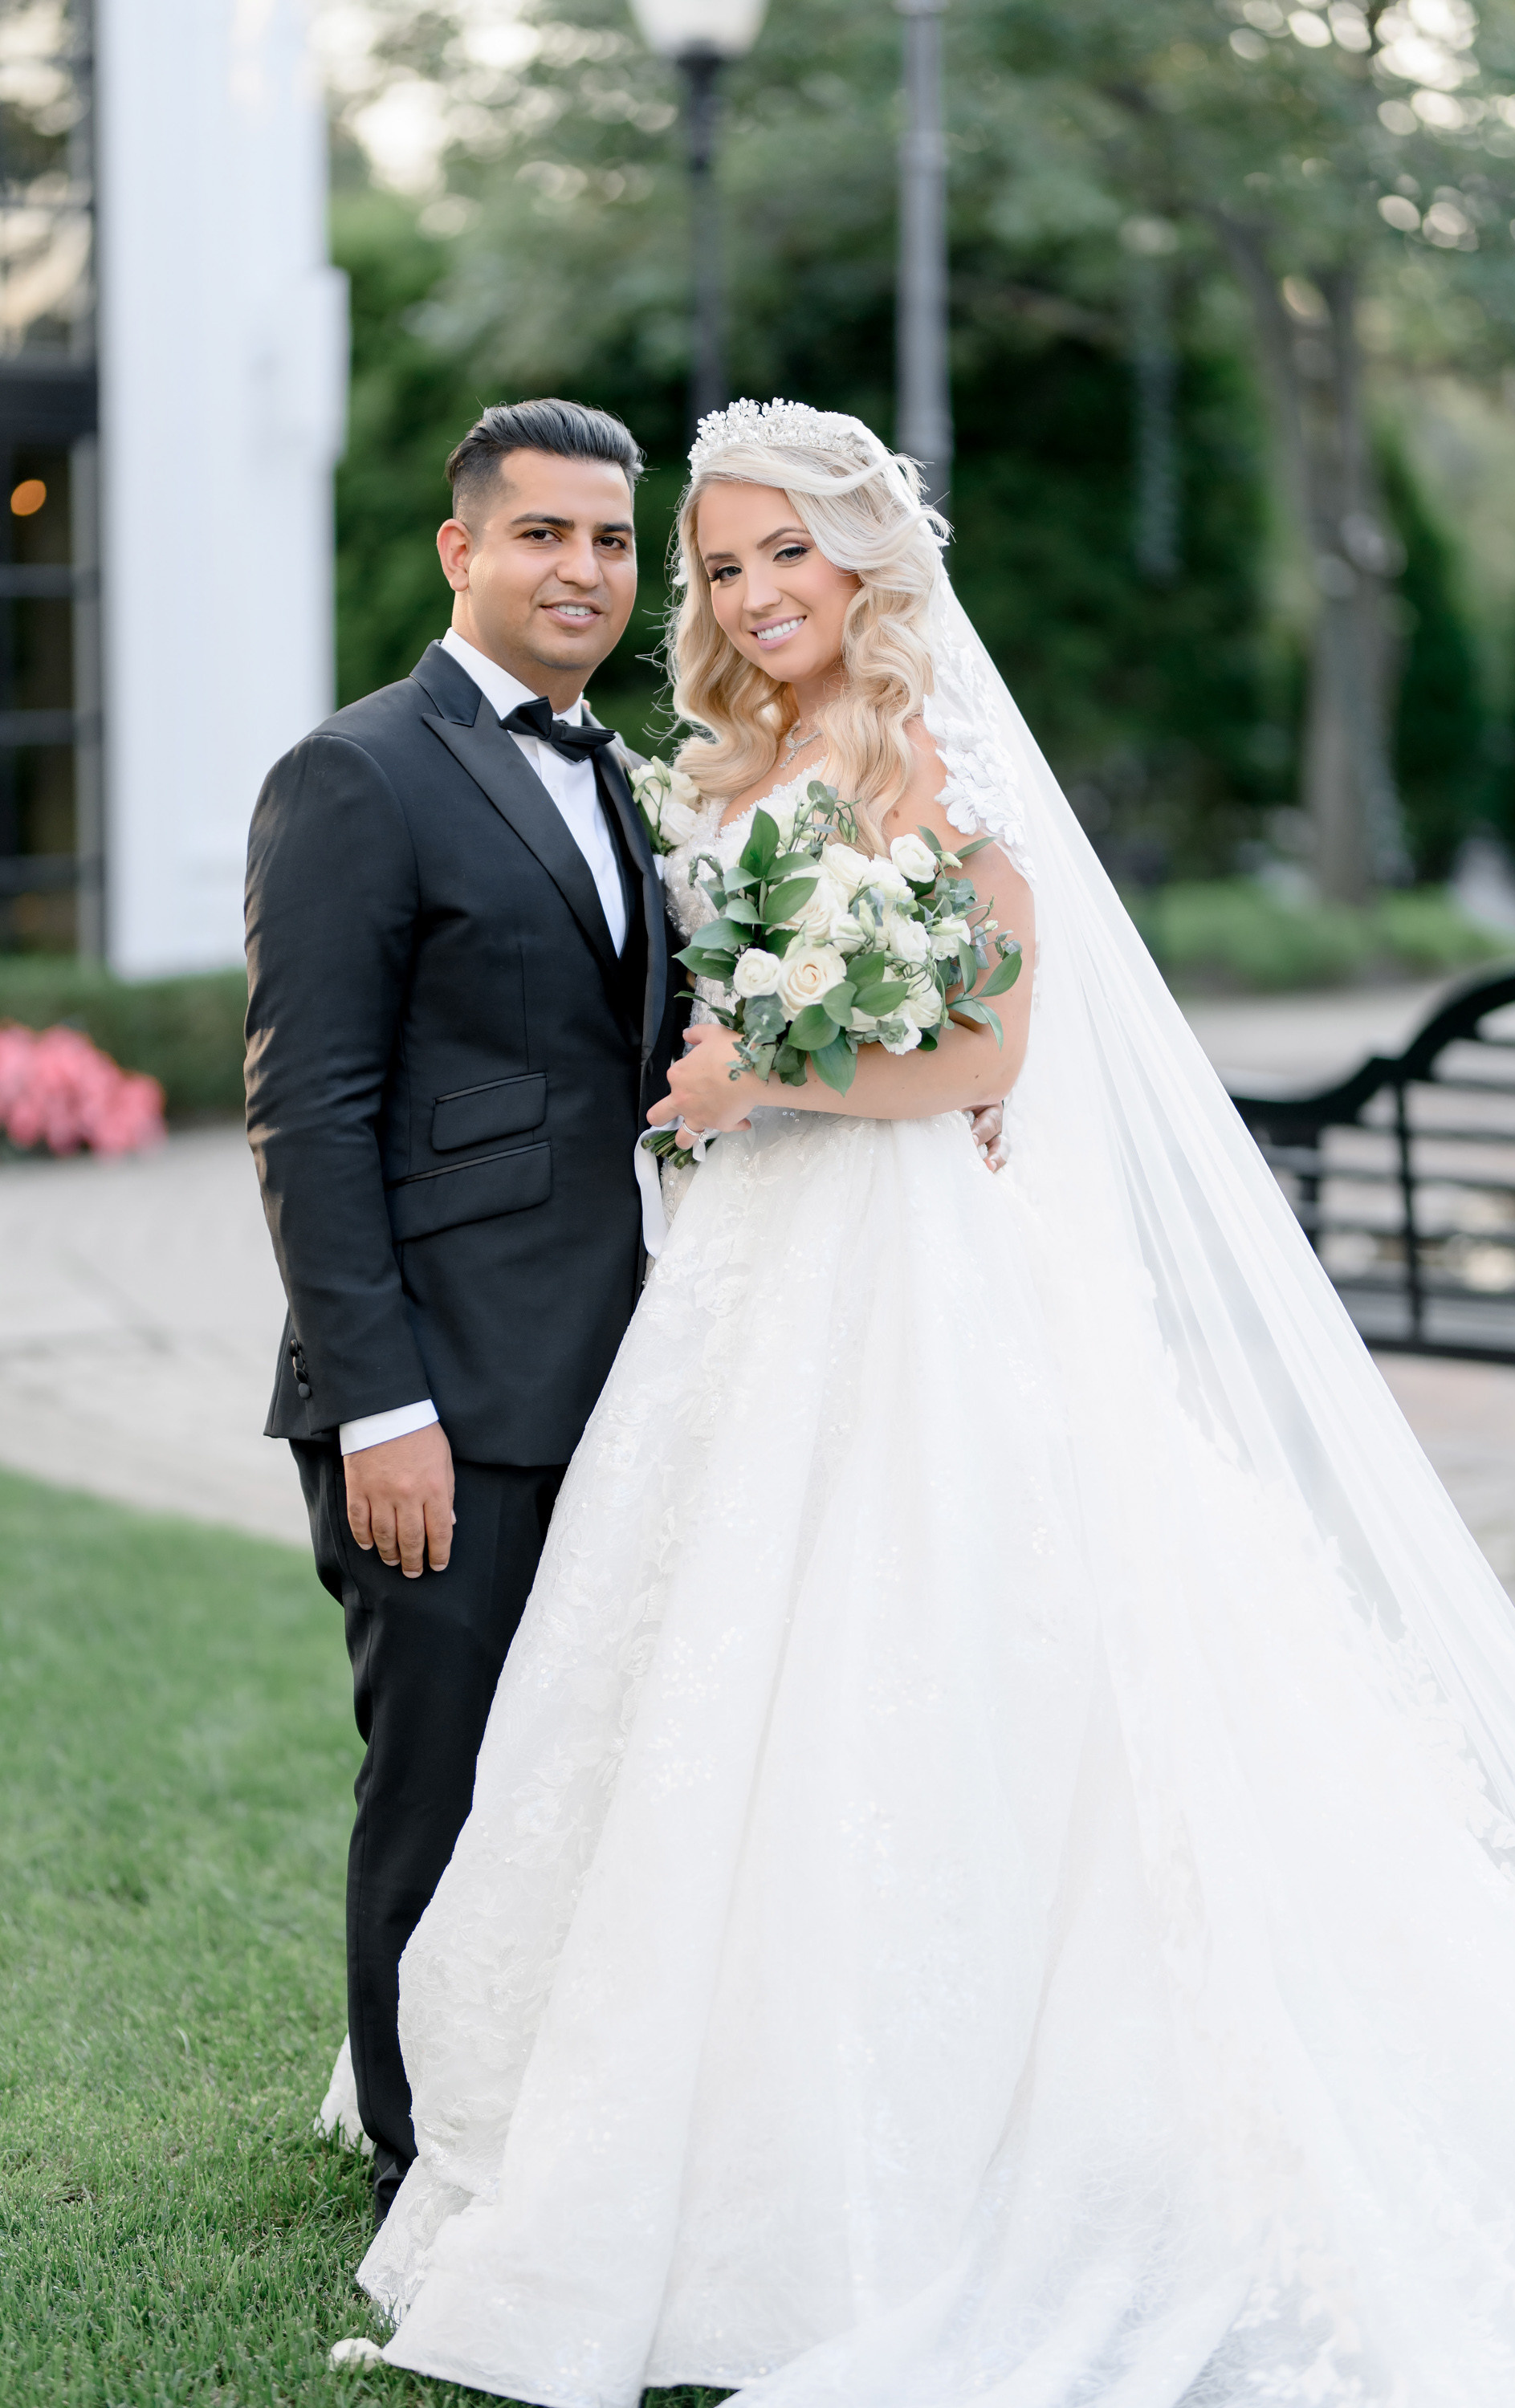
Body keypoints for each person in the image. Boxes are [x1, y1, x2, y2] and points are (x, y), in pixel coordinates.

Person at [348, 399, 1515, 2403]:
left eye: (779, 562)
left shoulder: (940, 760)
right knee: (718, 1665)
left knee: (946, 1655)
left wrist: (769, 1080)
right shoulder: (721, 763)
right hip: (745, 1283)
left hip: (911, 1270)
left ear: (867, 568)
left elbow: (985, 1057)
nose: (746, 598)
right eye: (719, 568)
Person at [245, 394, 1009, 2234]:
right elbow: (309, 1111)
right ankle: (431, 2163)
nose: (582, 571)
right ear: (461, 552)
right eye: (542, 537)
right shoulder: (355, 774)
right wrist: (378, 1408)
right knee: (437, 1775)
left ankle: (555, 2119)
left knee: (579, 1770)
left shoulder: (643, 775)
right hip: (441, 1391)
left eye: (611, 542)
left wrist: (916, 1064)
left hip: (643, 1361)